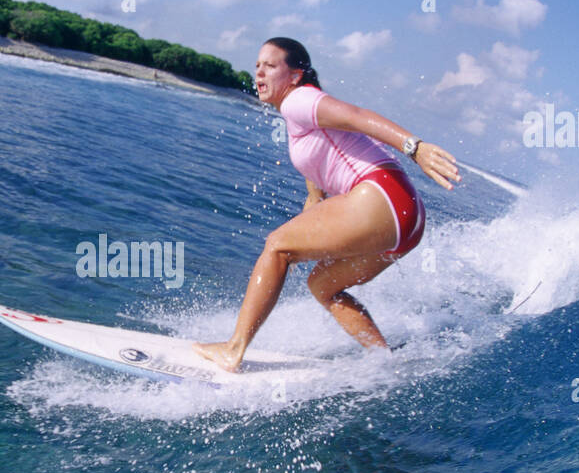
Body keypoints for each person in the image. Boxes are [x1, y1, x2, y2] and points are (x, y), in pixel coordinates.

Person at [193, 37, 460, 372]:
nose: (259, 72)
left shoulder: (299, 101)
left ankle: (233, 349)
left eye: (270, 65)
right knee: (323, 285)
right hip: (406, 219)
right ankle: (383, 359)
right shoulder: (300, 122)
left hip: (382, 195)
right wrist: (307, 238)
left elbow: (356, 116)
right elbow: (316, 196)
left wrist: (415, 147)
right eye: (257, 65)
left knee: (275, 246)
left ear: (295, 76)